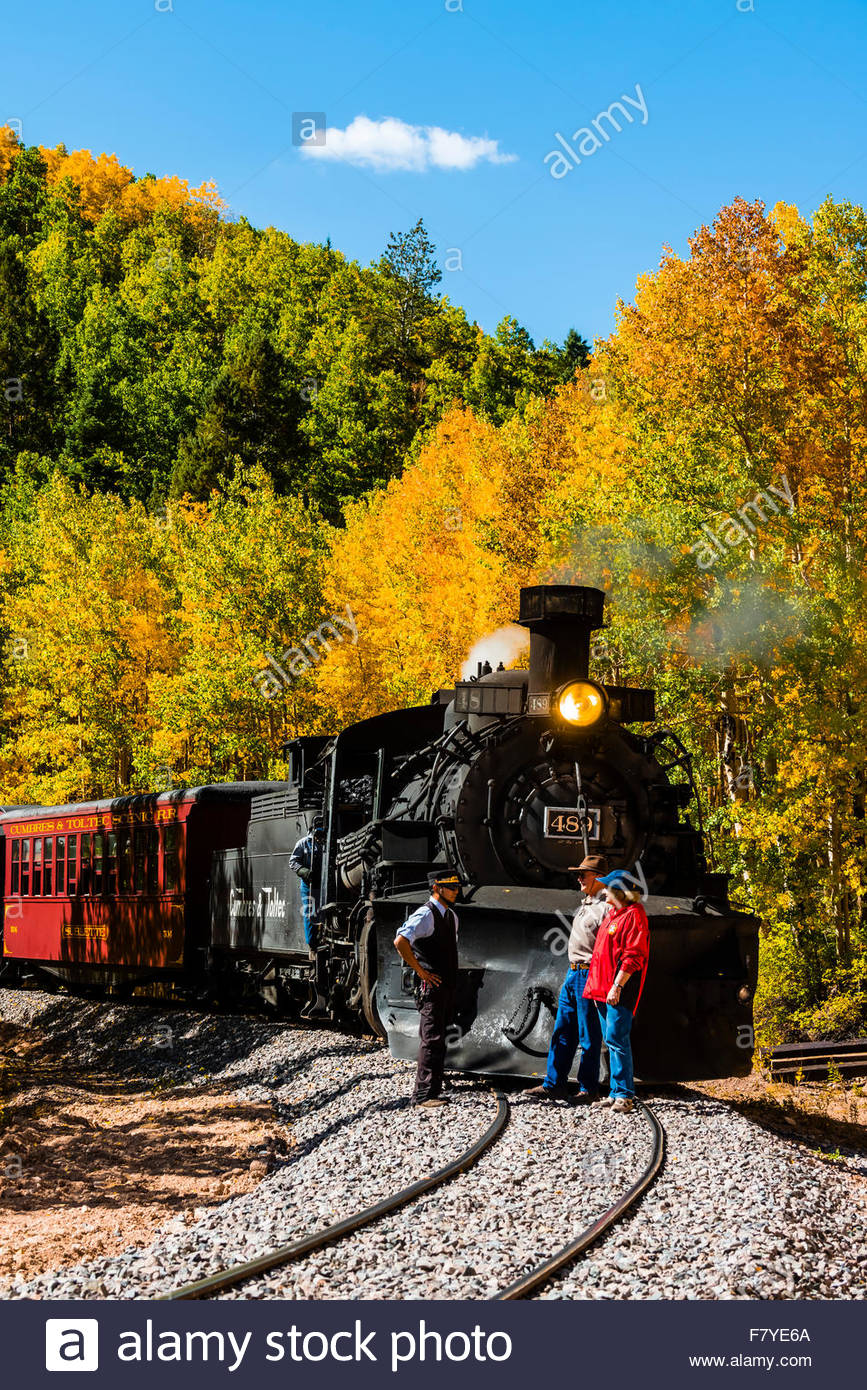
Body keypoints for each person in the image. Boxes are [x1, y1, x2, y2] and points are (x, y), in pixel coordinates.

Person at [525, 854, 609, 1103]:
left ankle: (588, 1088)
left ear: (599, 878)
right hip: (573, 972)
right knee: (563, 1029)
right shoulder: (587, 903)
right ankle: (554, 1084)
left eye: (583, 874)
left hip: (589, 973)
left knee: (588, 1033)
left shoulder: (606, 908)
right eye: (578, 874)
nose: (579, 878)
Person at [583, 869, 650, 1114]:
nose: (603, 890)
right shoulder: (614, 914)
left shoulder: (634, 916)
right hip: (602, 989)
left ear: (619, 891)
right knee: (610, 1040)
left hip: (618, 990)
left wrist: (617, 985)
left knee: (617, 1039)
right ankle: (614, 1092)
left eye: (607, 887)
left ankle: (624, 1094)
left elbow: (634, 956)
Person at [393, 869, 461, 1108]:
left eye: (456, 887)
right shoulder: (425, 914)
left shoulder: (451, 916)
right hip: (431, 987)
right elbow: (400, 941)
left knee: (438, 1038)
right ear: (436, 888)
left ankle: (434, 1089)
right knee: (430, 1039)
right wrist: (420, 971)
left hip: (445, 986)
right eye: (450, 887)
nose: (455, 890)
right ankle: (422, 1095)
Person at [289, 815, 325, 950]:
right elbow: (293, 862)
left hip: (325, 884)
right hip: (309, 884)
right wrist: (305, 872)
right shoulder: (303, 843)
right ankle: (312, 944)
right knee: (311, 913)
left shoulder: (327, 842)